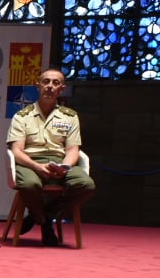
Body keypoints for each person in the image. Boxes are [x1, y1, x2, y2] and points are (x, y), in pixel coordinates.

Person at [7, 68, 95, 247]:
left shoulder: (70, 117)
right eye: (46, 82)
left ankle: (40, 216)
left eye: (55, 83)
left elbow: (72, 149)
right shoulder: (22, 116)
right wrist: (38, 167)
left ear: (61, 88)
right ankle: (45, 222)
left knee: (86, 185)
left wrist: (64, 168)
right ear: (37, 86)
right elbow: (16, 151)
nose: (49, 86)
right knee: (30, 184)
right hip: (30, 162)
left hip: (60, 162)